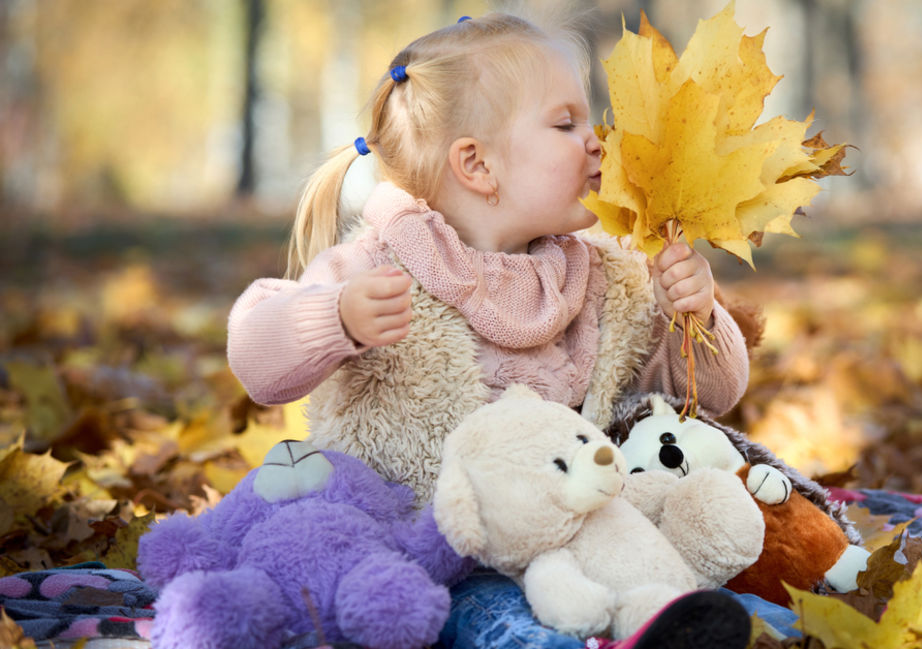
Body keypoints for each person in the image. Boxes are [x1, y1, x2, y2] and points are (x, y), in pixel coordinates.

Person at [226, 11, 780, 649]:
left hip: (576, 529)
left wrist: (695, 316)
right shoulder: (379, 262)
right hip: (433, 544)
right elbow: (257, 360)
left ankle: (702, 625)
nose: (596, 141)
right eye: (565, 124)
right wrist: (335, 318)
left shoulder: (610, 273)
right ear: (478, 166)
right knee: (497, 612)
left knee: (691, 543)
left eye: (590, 121)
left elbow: (711, 395)